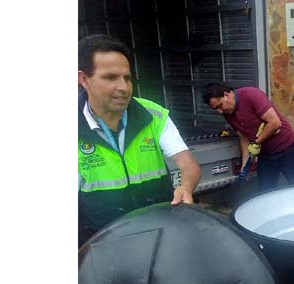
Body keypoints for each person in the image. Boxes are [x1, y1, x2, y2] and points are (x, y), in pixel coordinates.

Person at [78, 34, 201, 247]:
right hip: (102, 246)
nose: (123, 87)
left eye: (127, 78)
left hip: (158, 236)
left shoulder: (153, 114)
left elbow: (188, 164)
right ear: (84, 80)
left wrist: (186, 186)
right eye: (110, 77)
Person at [202, 83, 294, 191]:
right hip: (266, 154)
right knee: (265, 192)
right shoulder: (227, 113)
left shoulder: (251, 95)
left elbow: (275, 123)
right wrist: (244, 166)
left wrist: (257, 142)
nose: (220, 111)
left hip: (286, 149)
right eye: (216, 109)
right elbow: (243, 138)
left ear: (227, 95)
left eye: (220, 106)